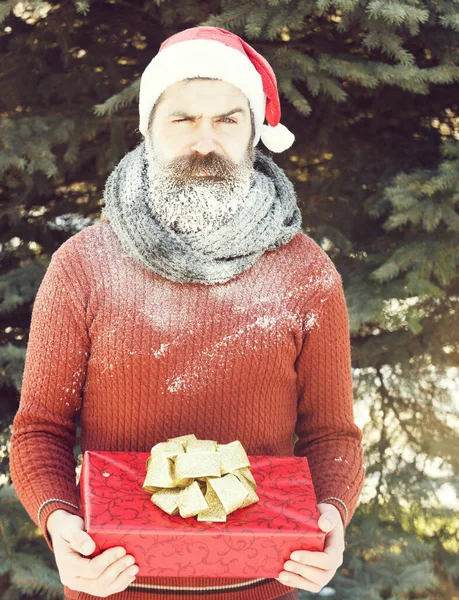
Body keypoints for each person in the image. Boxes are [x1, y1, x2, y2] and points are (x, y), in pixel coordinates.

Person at [9, 25, 365, 600]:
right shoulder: (83, 265)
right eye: (183, 119)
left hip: (262, 585)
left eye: (227, 119)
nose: (206, 141)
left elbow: (332, 436)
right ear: (148, 129)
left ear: (253, 132)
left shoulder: (305, 272)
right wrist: (59, 523)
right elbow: (39, 431)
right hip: (112, 585)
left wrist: (331, 517)